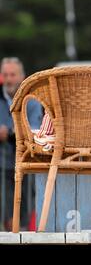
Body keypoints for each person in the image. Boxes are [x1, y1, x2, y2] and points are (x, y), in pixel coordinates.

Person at [0, 57, 42, 231]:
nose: (9, 79)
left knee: (25, 216)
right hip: (2, 166)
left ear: (22, 77)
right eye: (5, 74)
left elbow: (33, 131)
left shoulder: (31, 100)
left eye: (12, 74)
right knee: (7, 217)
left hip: (26, 164)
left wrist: (8, 131)